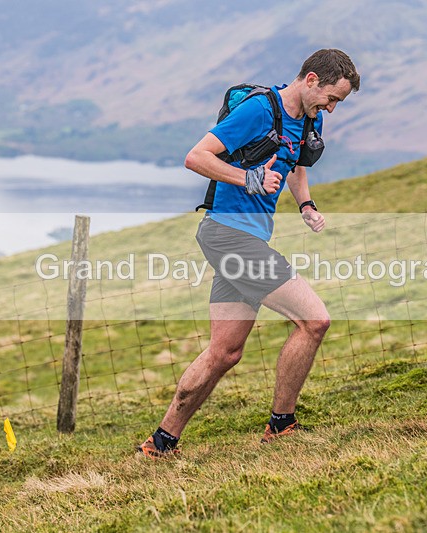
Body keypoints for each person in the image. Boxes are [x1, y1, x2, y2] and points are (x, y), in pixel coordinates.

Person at [138, 49, 360, 458]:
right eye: (332, 98)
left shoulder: (310, 116)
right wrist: (248, 178)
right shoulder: (259, 110)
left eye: (337, 103)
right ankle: (282, 424)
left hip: (248, 238)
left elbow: (296, 165)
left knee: (224, 353)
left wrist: (306, 205)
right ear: (311, 80)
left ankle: (161, 441)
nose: (332, 107)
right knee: (315, 321)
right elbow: (196, 157)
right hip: (227, 235)